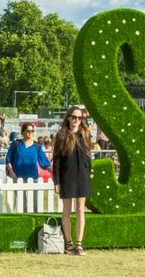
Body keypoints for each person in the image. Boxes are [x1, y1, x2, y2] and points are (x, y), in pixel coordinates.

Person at [53, 107, 92, 256]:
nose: (77, 120)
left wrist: (89, 171)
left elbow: (88, 156)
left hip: (82, 176)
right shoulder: (62, 135)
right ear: (68, 118)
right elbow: (56, 161)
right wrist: (56, 181)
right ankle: (68, 244)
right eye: (74, 117)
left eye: (80, 118)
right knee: (67, 211)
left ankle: (79, 245)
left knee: (81, 210)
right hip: (66, 177)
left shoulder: (85, 134)